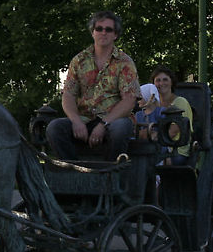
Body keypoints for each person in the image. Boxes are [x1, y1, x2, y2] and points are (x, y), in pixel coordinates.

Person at [46, 11, 142, 160]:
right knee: (54, 128)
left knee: (121, 128)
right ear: (92, 32)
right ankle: (73, 172)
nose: (103, 32)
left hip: (114, 120)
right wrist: (76, 121)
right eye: (99, 28)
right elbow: (68, 95)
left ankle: (110, 174)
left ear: (115, 35)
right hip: (85, 119)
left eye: (108, 29)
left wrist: (103, 124)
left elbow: (129, 101)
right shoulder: (79, 61)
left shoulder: (125, 62)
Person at [150, 65, 193, 165]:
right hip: (155, 147)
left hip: (176, 151)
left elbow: (172, 133)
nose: (161, 83)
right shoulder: (152, 104)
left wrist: (150, 136)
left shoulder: (180, 102)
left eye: (165, 80)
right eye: (158, 80)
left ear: (171, 82)